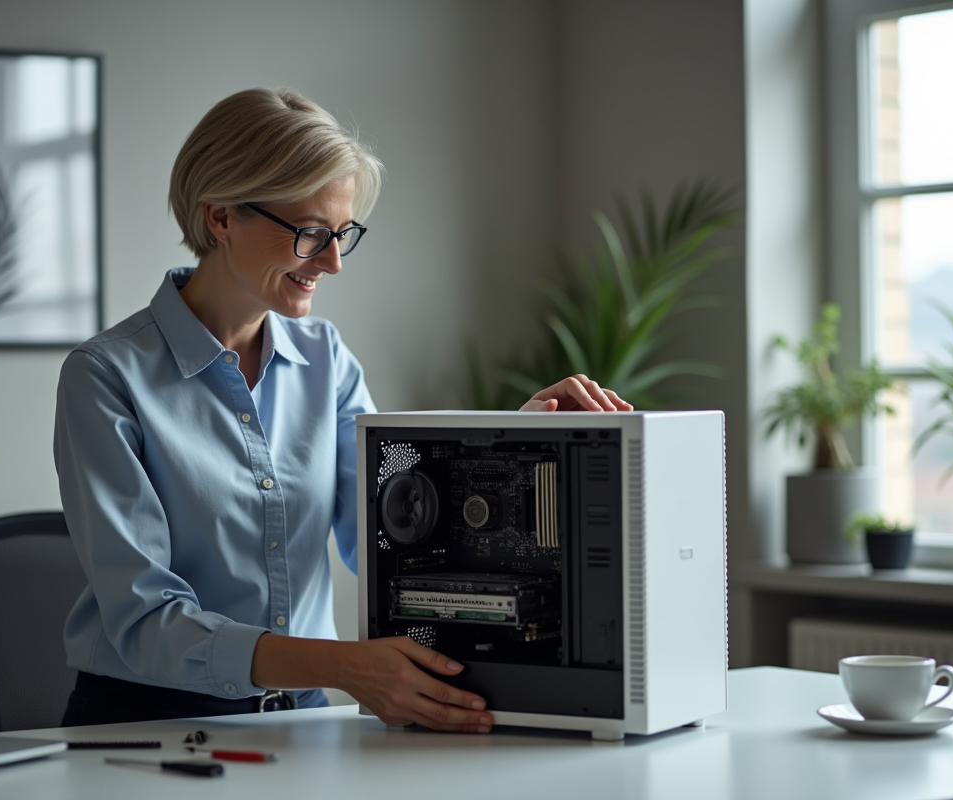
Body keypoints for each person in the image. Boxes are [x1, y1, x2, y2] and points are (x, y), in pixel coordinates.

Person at [53, 88, 632, 732]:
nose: (332, 261)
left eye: (342, 234)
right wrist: (345, 667)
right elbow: (142, 618)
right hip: (145, 727)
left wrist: (512, 443)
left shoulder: (325, 358)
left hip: (300, 722)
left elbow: (392, 533)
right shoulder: (105, 376)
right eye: (309, 233)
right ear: (219, 217)